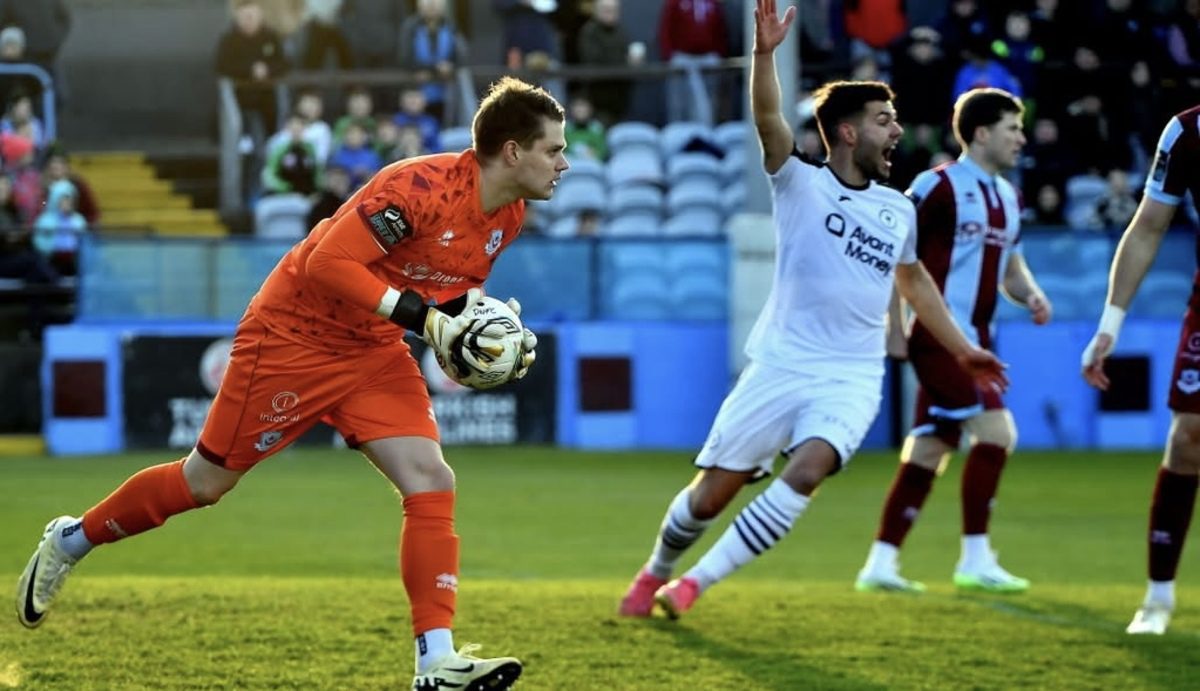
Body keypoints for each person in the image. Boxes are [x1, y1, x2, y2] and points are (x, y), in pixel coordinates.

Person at [16, 76, 568, 691]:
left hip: (372, 349)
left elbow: (451, 287)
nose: (564, 163)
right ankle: (71, 539)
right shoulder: (418, 188)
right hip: (291, 338)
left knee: (431, 478)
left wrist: (486, 337)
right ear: (512, 151)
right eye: (553, 149)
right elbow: (325, 262)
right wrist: (424, 319)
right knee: (204, 483)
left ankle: (434, 663)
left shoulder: (509, 216)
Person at [617, 0, 1008, 620]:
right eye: (885, 120)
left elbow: (916, 286)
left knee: (808, 470)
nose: (897, 132)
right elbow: (769, 118)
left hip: (850, 375)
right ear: (849, 131)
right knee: (708, 498)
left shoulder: (898, 208)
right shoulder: (799, 182)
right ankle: (655, 571)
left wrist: (962, 347)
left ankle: (694, 585)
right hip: (780, 365)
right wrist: (765, 53)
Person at [854, 87, 1050, 595]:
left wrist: (1029, 294)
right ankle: (976, 558)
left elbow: (1011, 266)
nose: (1021, 139)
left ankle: (880, 563)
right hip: (940, 338)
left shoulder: (1008, 196)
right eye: (1013, 128)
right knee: (997, 433)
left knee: (928, 450)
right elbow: (894, 256)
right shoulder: (935, 186)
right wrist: (894, 328)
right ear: (982, 133)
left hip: (978, 343)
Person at [1081, 103, 1200, 636]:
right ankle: (1157, 598)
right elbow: (1148, 227)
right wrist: (1111, 322)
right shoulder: (1187, 131)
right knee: (1189, 438)